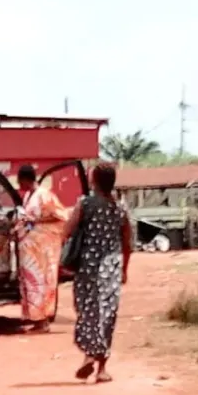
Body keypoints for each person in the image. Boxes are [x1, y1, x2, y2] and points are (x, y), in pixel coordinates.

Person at [63, 163, 132, 383]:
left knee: (88, 312)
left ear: (94, 180)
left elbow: (67, 230)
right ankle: (101, 368)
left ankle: (88, 356)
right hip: (111, 268)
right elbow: (127, 242)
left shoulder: (85, 204)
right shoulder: (120, 208)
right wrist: (124, 269)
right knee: (106, 316)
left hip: (89, 269)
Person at [15, 164, 68, 334]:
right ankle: (36, 319)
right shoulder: (28, 197)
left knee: (41, 283)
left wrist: (37, 222)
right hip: (30, 249)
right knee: (31, 284)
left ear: (25, 179)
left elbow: (61, 217)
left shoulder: (45, 196)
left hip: (42, 250)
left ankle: (43, 321)